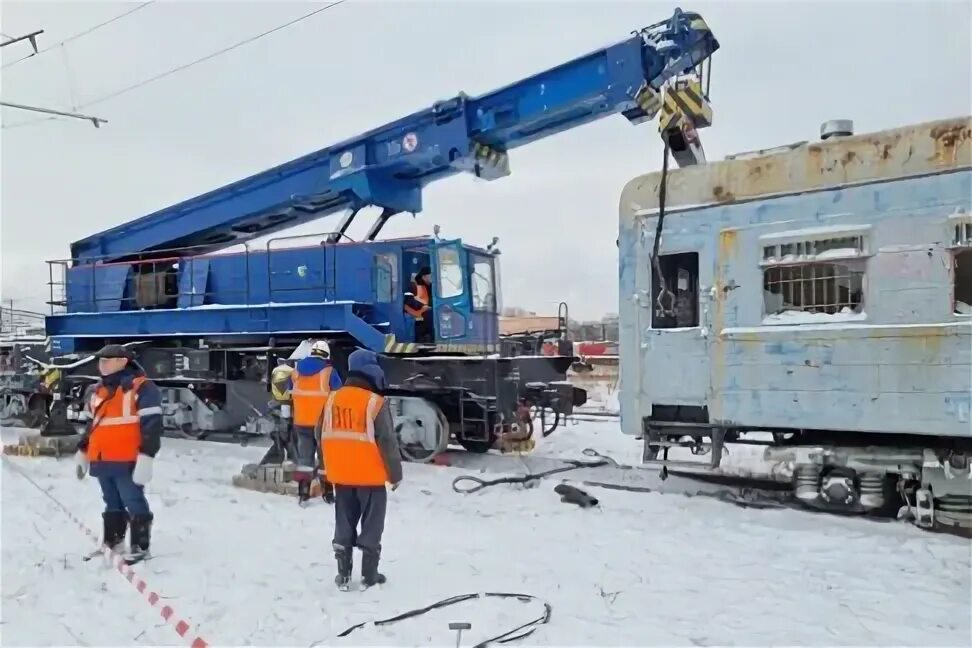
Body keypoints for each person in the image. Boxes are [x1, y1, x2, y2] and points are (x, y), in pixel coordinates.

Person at [316, 348, 402, 589]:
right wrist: (395, 474)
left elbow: (319, 436)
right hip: (371, 477)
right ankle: (369, 576)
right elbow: (387, 441)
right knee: (372, 525)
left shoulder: (331, 400)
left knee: (344, 523)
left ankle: (343, 575)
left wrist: (324, 472)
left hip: (341, 477)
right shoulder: (375, 403)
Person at [74, 344, 163, 564]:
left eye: (107, 360)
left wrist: (147, 456)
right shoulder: (97, 391)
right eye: (100, 361)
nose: (101, 365)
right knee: (111, 501)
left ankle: (140, 547)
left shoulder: (141, 387)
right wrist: (83, 451)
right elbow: (91, 425)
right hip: (102, 456)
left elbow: (152, 425)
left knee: (133, 500)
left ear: (122, 361)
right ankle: (113, 542)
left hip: (127, 458)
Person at [288, 340, 342, 505]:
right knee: (326, 458)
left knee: (305, 458)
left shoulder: (296, 371)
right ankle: (328, 493)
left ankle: (303, 492)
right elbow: (339, 394)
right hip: (323, 424)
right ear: (326, 355)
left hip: (301, 422)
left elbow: (289, 390)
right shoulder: (329, 372)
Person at [404, 266, 434, 343]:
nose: (433, 278)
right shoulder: (413, 286)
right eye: (431, 275)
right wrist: (422, 306)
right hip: (414, 312)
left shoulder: (431, 287)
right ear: (424, 276)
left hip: (424, 312)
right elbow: (409, 301)